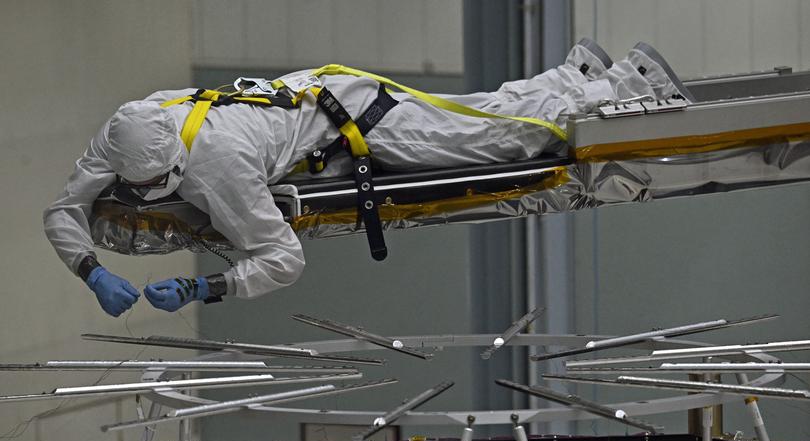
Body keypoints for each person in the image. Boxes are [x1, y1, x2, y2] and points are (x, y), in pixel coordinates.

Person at [43, 40, 691, 317]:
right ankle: (571, 79)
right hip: (321, 89)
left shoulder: (219, 173)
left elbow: (282, 259)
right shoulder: (132, 123)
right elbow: (61, 209)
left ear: (169, 178)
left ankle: (622, 89)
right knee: (470, 114)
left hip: (350, 120)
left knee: (491, 143)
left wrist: (203, 286)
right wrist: (89, 271)